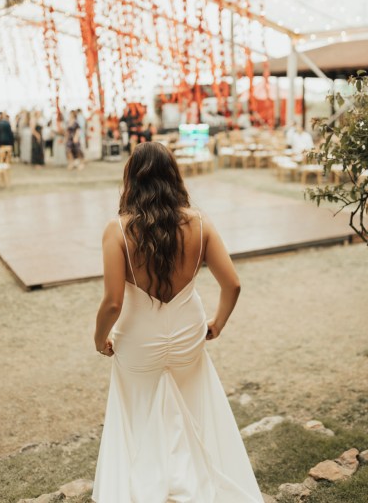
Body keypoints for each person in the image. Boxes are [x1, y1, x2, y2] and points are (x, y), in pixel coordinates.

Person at [92, 142, 264, 502]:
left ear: (131, 180)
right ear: (173, 176)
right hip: (189, 336)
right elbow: (232, 283)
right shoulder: (200, 224)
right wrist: (218, 322)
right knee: (193, 411)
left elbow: (112, 302)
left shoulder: (118, 230)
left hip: (138, 344)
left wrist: (99, 339)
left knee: (137, 415)